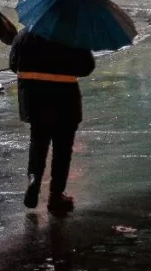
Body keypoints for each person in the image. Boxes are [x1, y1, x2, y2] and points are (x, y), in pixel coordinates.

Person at [8, 30, 96, 215]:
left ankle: (34, 178)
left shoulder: (25, 35)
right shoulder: (73, 36)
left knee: (38, 141)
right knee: (63, 148)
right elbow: (87, 67)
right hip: (65, 100)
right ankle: (56, 195)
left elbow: (13, 64)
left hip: (35, 100)